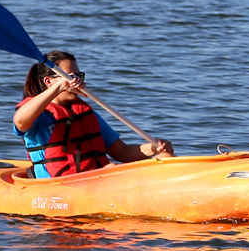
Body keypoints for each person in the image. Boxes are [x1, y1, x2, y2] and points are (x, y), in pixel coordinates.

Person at [13, 49, 172, 178]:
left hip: (95, 178)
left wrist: (153, 148)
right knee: (111, 168)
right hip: (60, 184)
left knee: (165, 157)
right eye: (70, 76)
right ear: (49, 82)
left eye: (79, 76)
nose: (77, 80)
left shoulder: (84, 114)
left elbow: (122, 152)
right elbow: (20, 121)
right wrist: (59, 87)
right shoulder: (39, 116)